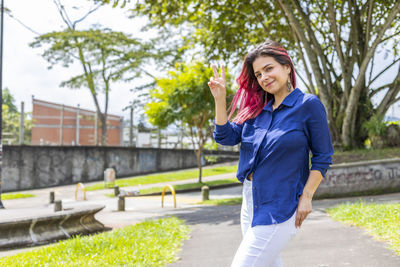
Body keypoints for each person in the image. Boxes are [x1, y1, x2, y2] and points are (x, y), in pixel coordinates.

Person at [208, 40, 334, 267]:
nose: (264, 77)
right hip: (250, 201)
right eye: (258, 74)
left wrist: (307, 197)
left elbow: (323, 157)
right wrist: (219, 99)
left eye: (269, 68)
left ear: (287, 67)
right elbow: (225, 136)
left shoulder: (308, 105)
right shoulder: (257, 111)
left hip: (280, 204)